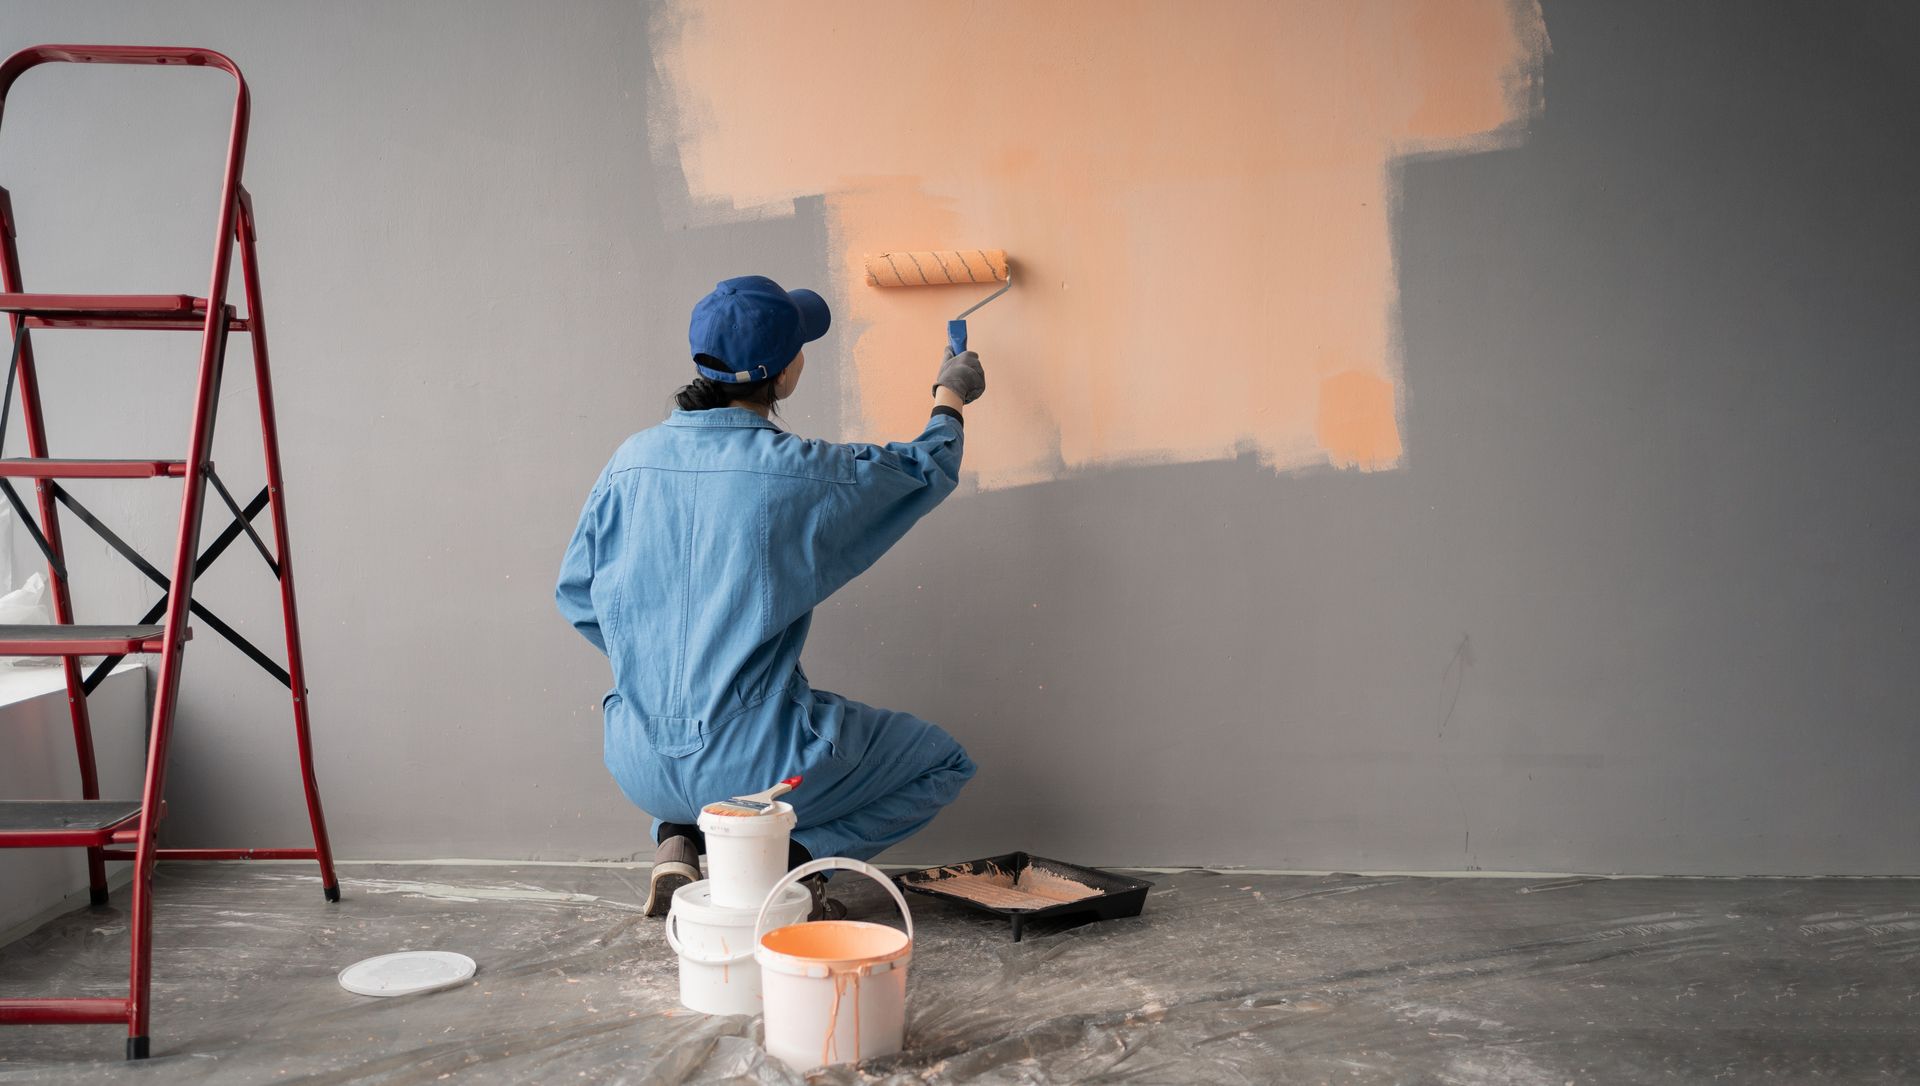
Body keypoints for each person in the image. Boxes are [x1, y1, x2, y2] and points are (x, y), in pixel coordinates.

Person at [556, 275, 983, 917]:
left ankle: (677, 838)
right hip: (754, 769)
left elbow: (577, 596)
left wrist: (658, 664)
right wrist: (950, 395)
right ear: (784, 374)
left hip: (637, 759)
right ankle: (786, 863)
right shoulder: (796, 469)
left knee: (697, 770)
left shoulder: (630, 461)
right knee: (943, 763)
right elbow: (923, 470)